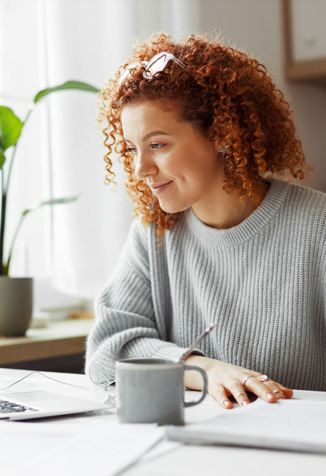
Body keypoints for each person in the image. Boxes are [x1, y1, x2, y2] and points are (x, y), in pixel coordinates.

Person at [86, 32, 326, 409]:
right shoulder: (154, 233)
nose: (140, 170)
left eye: (157, 145)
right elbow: (107, 353)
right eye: (131, 149)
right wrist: (203, 369)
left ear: (222, 134)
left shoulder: (319, 228)